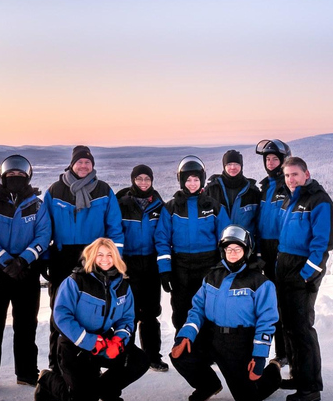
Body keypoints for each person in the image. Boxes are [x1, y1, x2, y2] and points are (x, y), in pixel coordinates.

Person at [34, 238, 150, 401]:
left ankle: (106, 390)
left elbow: (126, 319)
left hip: (104, 340)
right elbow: (61, 316)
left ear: (116, 257)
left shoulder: (123, 286)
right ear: (92, 256)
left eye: (110, 255)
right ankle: (47, 382)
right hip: (75, 345)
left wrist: (118, 341)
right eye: (100, 254)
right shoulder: (75, 281)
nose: (105, 259)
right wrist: (90, 341)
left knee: (138, 360)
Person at [170, 225, 281, 401]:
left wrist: (259, 356)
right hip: (211, 336)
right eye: (229, 249)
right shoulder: (212, 277)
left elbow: (266, 321)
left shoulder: (260, 283)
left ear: (247, 251)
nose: (233, 253)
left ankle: (274, 371)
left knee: (247, 398)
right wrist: (186, 335)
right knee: (181, 355)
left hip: (238, 343)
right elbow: (197, 308)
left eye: (238, 249)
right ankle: (208, 385)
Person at [0, 155, 52, 395]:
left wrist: (23, 260)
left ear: (28, 177)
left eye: (20, 175)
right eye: (11, 175)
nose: (15, 177)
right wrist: (7, 261)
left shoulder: (37, 205)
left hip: (26, 271)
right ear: (3, 177)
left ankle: (27, 373)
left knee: (27, 324)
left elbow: (43, 235)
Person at [40, 145, 124, 368]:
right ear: (72, 164)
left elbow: (114, 227)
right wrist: (45, 257)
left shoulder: (103, 191)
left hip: (93, 258)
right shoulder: (55, 191)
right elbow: (44, 228)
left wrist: (115, 259)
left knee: (92, 310)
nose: (84, 166)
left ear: (93, 165)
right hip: (62, 257)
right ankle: (55, 364)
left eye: (88, 162)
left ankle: (89, 362)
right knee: (60, 311)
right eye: (80, 162)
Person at [276, 156, 333, 401]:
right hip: (286, 268)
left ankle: (310, 387)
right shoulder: (293, 199)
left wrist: (306, 275)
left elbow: (322, 244)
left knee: (302, 329)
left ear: (306, 174)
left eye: (295, 175)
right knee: (289, 327)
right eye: (287, 175)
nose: (291, 180)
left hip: (301, 272)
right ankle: (297, 375)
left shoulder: (319, 201)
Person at [155, 155, 231, 332]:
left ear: (202, 180)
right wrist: (165, 270)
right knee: (181, 308)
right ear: (181, 181)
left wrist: (224, 266)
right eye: (188, 180)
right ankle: (183, 346)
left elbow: (226, 236)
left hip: (208, 265)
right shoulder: (171, 207)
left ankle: (207, 351)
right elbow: (162, 239)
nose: (192, 183)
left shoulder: (213, 206)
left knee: (208, 307)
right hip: (181, 266)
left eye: (196, 179)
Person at [116, 165, 169, 372]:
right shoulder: (122, 204)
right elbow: (115, 233)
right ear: (133, 180)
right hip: (128, 263)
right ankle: (127, 354)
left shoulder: (158, 205)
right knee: (129, 312)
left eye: (147, 179)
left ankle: (152, 356)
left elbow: (163, 234)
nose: (144, 183)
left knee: (151, 311)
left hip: (151, 263)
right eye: (139, 179)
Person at [254, 139, 292, 366]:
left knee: (284, 303)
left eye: (274, 158)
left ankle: (286, 352)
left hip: (282, 248)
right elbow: (259, 221)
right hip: (265, 250)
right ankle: (279, 352)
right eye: (267, 159)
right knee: (269, 302)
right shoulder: (265, 186)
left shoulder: (286, 185)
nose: (269, 162)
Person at [204, 149, 260, 237]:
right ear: (224, 166)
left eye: (236, 164)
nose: (233, 167)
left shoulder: (252, 191)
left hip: (244, 246)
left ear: (241, 166)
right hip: (218, 245)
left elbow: (258, 223)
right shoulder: (212, 189)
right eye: (229, 164)